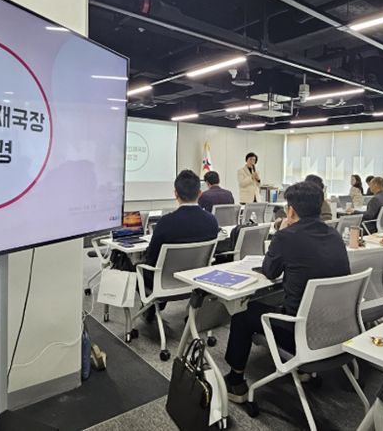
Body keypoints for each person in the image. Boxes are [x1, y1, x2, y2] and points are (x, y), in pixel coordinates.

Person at [223, 181, 350, 402]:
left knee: (244, 314)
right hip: (335, 327)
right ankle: (303, 371)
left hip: (299, 333)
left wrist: (281, 231)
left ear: (291, 211)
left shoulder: (286, 237)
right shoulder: (335, 235)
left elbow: (270, 271)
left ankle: (235, 382)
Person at [142, 170, 219, 319]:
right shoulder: (212, 221)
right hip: (196, 281)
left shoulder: (165, 222)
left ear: (175, 194)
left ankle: (151, 307)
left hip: (164, 283)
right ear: (200, 193)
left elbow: (151, 258)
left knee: (133, 266)